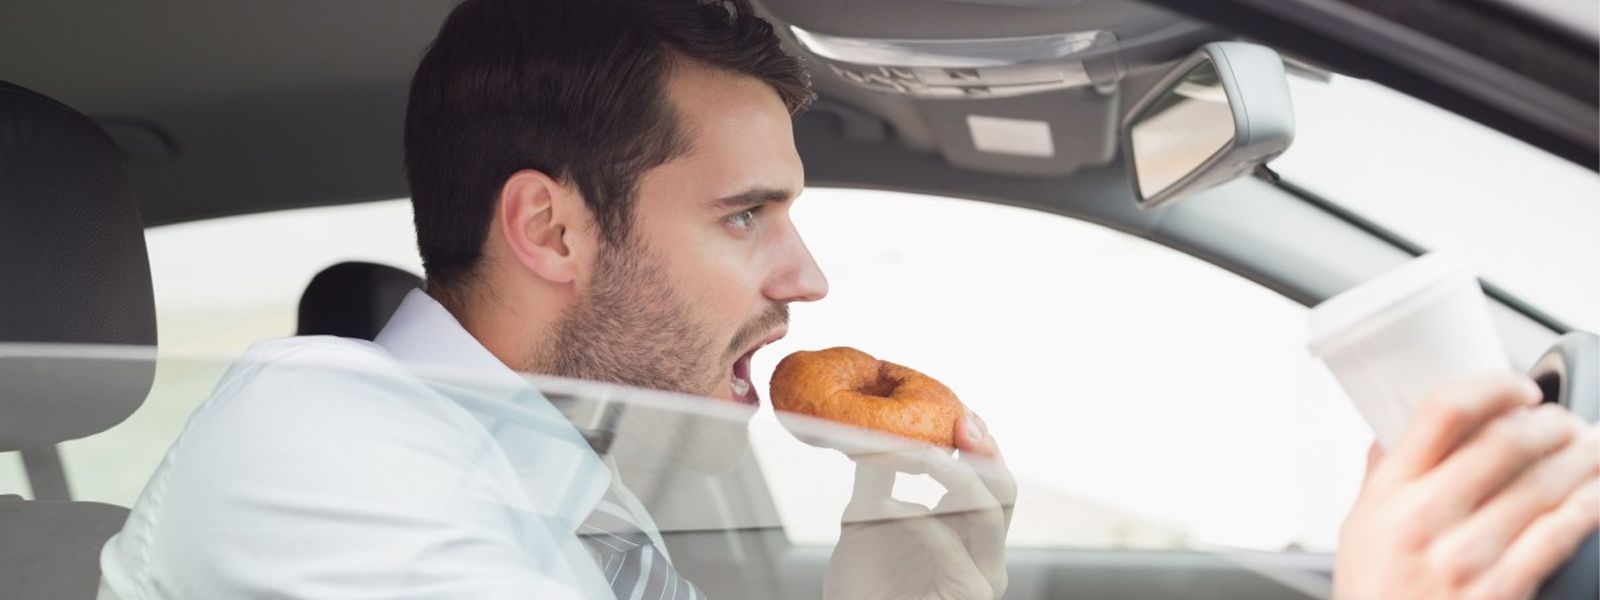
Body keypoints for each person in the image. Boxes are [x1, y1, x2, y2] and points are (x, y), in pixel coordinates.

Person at [98, 0, 1598, 598]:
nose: (805, 278)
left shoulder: (569, 486)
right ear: (550, 227)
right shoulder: (318, 442)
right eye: (747, 216)